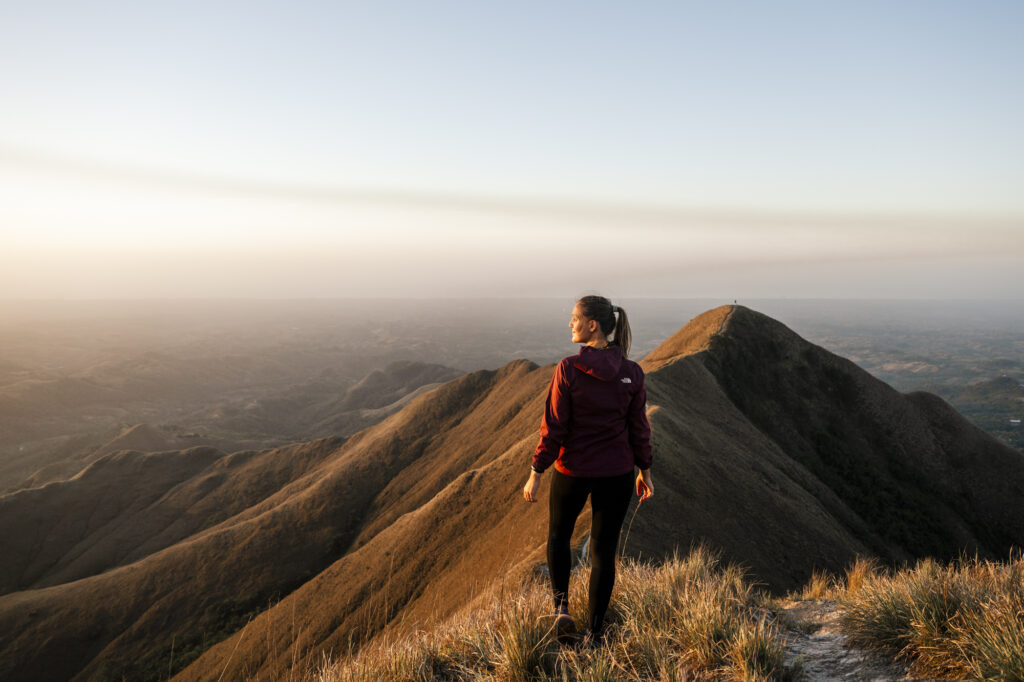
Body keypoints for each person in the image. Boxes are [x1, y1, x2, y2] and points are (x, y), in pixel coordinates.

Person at [522, 295, 653, 646]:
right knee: (603, 552)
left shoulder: (569, 369)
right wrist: (645, 471)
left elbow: (554, 428)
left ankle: (561, 609)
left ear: (592, 324)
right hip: (618, 473)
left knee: (558, 538)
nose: (570, 324)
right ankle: (594, 635)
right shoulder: (632, 373)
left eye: (574, 318)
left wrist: (536, 470)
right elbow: (640, 428)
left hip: (573, 471)